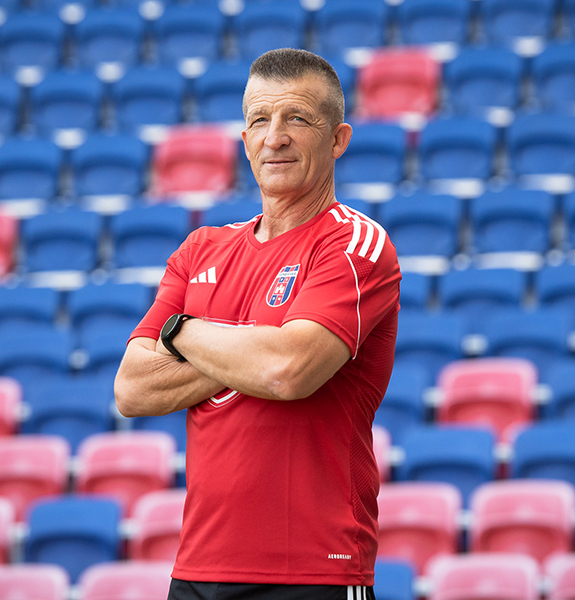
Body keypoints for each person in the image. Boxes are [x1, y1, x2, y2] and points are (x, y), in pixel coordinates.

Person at [115, 48, 401, 600]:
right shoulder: (201, 248)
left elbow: (287, 372)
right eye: (259, 120)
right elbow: (132, 389)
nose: (275, 137)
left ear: (338, 139)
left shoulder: (354, 243)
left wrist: (179, 331)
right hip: (197, 570)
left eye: (298, 118)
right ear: (244, 139)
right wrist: (260, 345)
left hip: (314, 570)